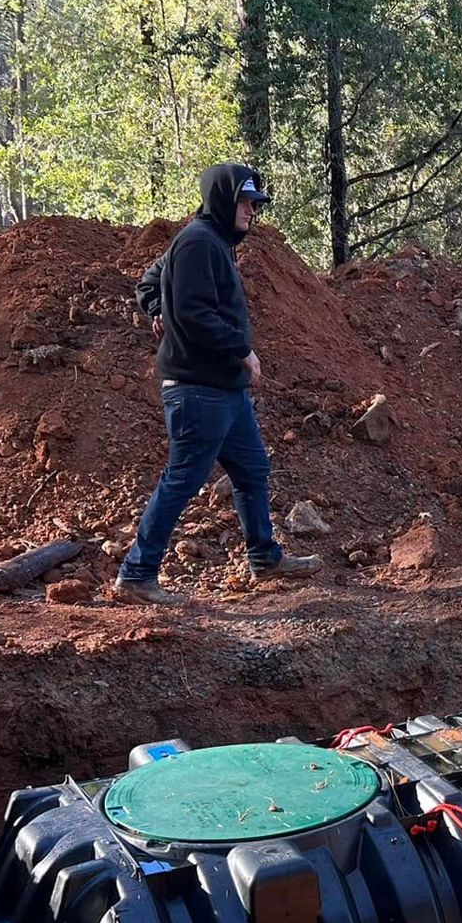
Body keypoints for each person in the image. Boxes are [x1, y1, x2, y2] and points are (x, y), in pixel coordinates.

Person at [114, 163, 322, 604]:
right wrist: (240, 349)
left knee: (251, 471)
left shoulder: (214, 243)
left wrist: (157, 309)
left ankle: (264, 557)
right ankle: (137, 573)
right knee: (184, 479)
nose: (252, 212)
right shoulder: (197, 243)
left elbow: (154, 283)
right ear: (224, 200)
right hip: (197, 388)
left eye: (255, 204)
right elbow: (192, 312)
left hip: (224, 389)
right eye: (247, 203)